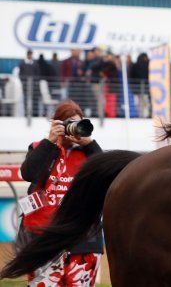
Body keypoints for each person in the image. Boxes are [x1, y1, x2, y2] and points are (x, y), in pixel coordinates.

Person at [19, 100, 103, 286]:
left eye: (78, 123)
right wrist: (50, 141)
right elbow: (28, 173)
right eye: (69, 124)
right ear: (57, 124)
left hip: (84, 240)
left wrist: (89, 143)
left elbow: (107, 176)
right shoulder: (40, 147)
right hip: (44, 238)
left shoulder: (91, 153)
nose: (73, 129)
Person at [18, 50, 40, 116]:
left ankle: (34, 113)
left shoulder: (35, 64)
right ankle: (26, 113)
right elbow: (20, 74)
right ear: (27, 55)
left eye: (31, 54)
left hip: (33, 85)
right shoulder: (22, 64)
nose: (30, 56)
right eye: (29, 54)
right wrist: (23, 82)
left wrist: (36, 82)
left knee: (34, 99)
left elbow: (37, 73)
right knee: (25, 99)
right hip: (25, 85)